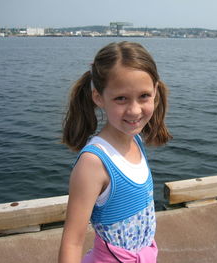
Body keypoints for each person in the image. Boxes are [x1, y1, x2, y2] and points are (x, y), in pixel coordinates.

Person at [59, 41, 172, 263]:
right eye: (121, 98)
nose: (134, 110)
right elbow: (72, 242)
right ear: (98, 97)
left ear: (155, 91)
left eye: (144, 96)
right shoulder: (94, 163)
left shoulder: (136, 141)